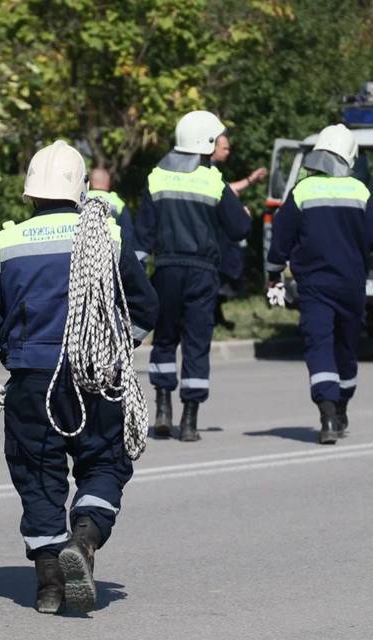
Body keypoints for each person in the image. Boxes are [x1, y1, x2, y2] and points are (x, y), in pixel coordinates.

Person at [0, 140, 158, 614]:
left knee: (38, 476)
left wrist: (13, 356)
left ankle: (50, 584)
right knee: (105, 464)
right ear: (80, 191)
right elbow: (146, 308)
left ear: (30, 193)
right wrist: (112, 347)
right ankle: (86, 539)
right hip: (96, 376)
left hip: (32, 380)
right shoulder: (108, 238)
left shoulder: (5, 244)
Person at [135, 111, 251, 442]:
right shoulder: (213, 180)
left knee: (165, 339)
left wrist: (135, 281)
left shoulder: (156, 177)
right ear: (206, 142)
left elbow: (142, 239)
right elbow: (239, 227)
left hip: (167, 271)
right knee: (196, 345)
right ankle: (189, 421)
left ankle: (162, 409)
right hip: (202, 273)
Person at [265, 124, 373, 444]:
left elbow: (281, 238)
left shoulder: (301, 191)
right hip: (352, 284)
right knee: (346, 347)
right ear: (349, 157)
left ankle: (327, 413)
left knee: (319, 346)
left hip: (315, 285)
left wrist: (273, 273)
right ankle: (339, 409)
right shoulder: (361, 191)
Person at [209, 134, 268, 330]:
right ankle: (213, 317)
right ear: (212, 148)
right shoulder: (207, 170)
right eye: (224, 148)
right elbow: (226, 192)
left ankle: (216, 316)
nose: (228, 152)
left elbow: (226, 190)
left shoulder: (211, 170)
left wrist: (250, 180)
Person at [86, 166, 135, 241]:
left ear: (90, 183)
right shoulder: (118, 203)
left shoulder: (82, 200)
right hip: (112, 250)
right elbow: (127, 235)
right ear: (108, 183)